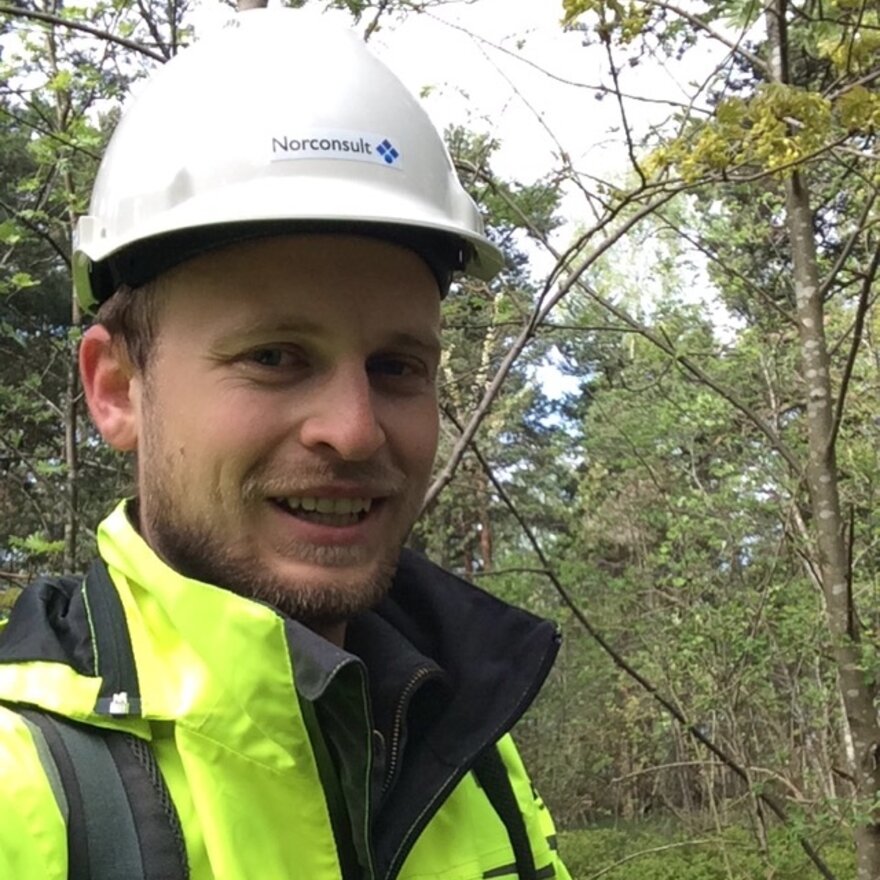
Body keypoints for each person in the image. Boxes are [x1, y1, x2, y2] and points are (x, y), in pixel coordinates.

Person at [0, 8, 570, 880]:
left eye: (397, 365)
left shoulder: (461, 750)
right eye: (274, 357)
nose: (353, 429)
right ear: (116, 390)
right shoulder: (25, 790)